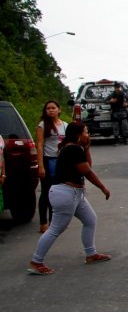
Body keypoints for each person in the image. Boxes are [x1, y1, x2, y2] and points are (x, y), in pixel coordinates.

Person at [28, 122, 112, 275]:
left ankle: (91, 254)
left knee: (90, 220)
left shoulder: (74, 148)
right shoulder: (72, 148)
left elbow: (87, 165)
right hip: (66, 193)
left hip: (74, 193)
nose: (88, 135)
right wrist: (102, 187)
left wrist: (86, 148)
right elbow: (87, 171)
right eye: (86, 132)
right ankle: (36, 261)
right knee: (55, 229)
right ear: (78, 135)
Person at [35, 100, 67, 233]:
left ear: (59, 110)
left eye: (53, 108)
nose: (51, 110)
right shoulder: (43, 125)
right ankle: (43, 222)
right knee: (46, 191)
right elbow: (40, 145)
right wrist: (41, 166)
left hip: (61, 161)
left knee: (58, 192)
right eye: (48, 108)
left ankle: (54, 222)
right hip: (49, 161)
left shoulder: (65, 125)